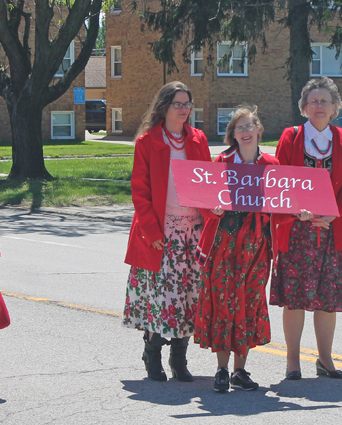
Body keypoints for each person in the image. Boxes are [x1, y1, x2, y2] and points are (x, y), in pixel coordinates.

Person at [270, 77, 342, 380]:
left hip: (331, 232)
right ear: (304, 107)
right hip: (297, 232)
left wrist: (334, 213)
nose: (319, 106)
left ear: (335, 108)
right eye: (313, 101)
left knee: (328, 300)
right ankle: (292, 361)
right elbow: (279, 179)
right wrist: (297, 210)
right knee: (293, 299)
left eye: (325, 101)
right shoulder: (291, 136)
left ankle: (325, 359)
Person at [122, 81, 211, 382]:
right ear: (164, 106)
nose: (184, 109)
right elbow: (140, 191)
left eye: (188, 104)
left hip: (193, 233)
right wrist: (151, 229)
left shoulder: (198, 139)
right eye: (178, 104)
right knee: (162, 300)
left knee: (190, 297)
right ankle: (153, 354)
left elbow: (207, 183)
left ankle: (179, 360)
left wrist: (215, 213)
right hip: (161, 235)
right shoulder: (148, 141)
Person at [194, 105, 279, 392]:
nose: (245, 131)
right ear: (233, 133)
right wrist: (213, 211)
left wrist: (301, 211)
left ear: (258, 129)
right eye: (239, 127)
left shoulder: (271, 165)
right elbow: (204, 201)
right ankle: (221, 369)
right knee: (222, 301)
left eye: (249, 126)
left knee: (249, 302)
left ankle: (239, 371)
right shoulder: (220, 161)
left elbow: (283, 205)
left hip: (256, 245)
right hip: (223, 243)